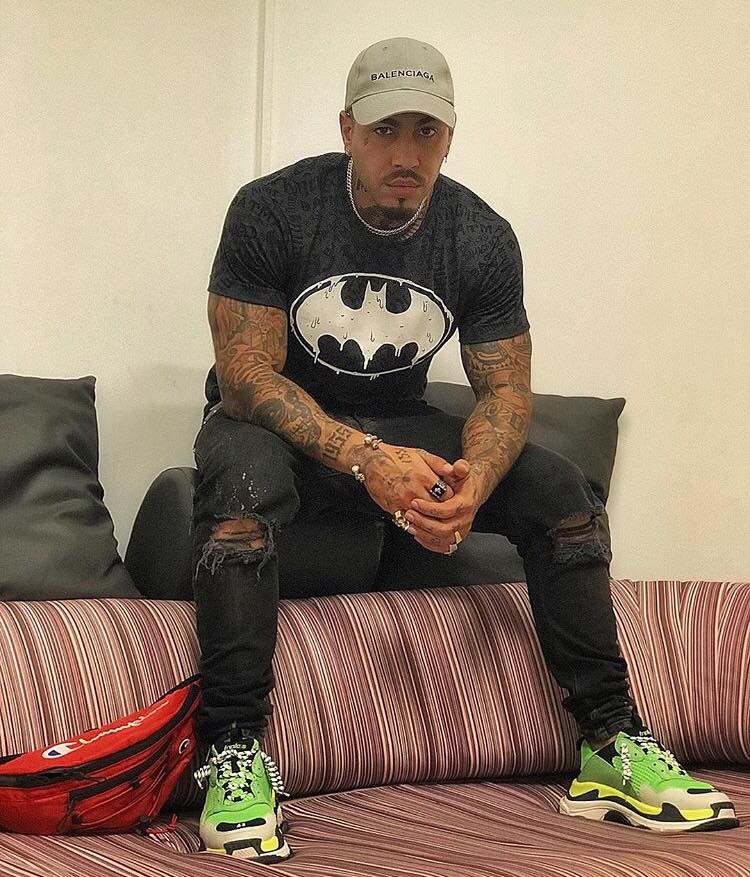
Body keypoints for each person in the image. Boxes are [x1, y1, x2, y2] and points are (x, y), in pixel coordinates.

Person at [190, 37, 737, 863]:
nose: (405, 154)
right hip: (280, 428)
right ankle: (232, 750)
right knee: (241, 478)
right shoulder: (274, 210)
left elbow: (506, 392)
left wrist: (477, 478)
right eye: (385, 130)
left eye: (426, 131)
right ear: (347, 129)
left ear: (450, 135)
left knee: (563, 495)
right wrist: (365, 457)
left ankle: (610, 740)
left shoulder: (479, 236)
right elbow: (245, 376)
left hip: (401, 423)